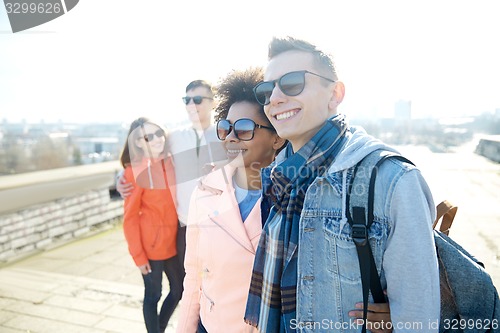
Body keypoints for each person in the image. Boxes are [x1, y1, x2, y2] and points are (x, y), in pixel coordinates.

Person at [244, 37, 440, 333]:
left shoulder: (391, 179)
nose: (275, 99)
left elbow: (418, 319)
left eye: (292, 83)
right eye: (266, 90)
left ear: (335, 93)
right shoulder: (280, 175)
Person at [176, 68, 393, 333]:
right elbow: (194, 277)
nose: (231, 137)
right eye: (225, 127)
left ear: (277, 137)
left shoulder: (305, 197)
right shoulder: (205, 191)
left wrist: (395, 311)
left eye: (244, 128)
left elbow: (336, 273)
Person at [117, 80, 226, 277]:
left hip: (219, 225)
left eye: (198, 99)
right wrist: (121, 176)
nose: (192, 105)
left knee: (217, 282)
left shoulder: (225, 135)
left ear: (214, 102)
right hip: (184, 226)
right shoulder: (174, 137)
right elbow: (146, 156)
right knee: (188, 285)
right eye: (187, 100)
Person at [120, 117, 184, 333]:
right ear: (138, 143)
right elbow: (129, 218)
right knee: (153, 295)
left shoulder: (170, 161)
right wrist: (138, 256)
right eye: (148, 137)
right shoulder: (135, 172)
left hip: (173, 242)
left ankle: (159, 328)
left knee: (179, 289)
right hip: (151, 248)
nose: (156, 139)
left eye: (158, 133)